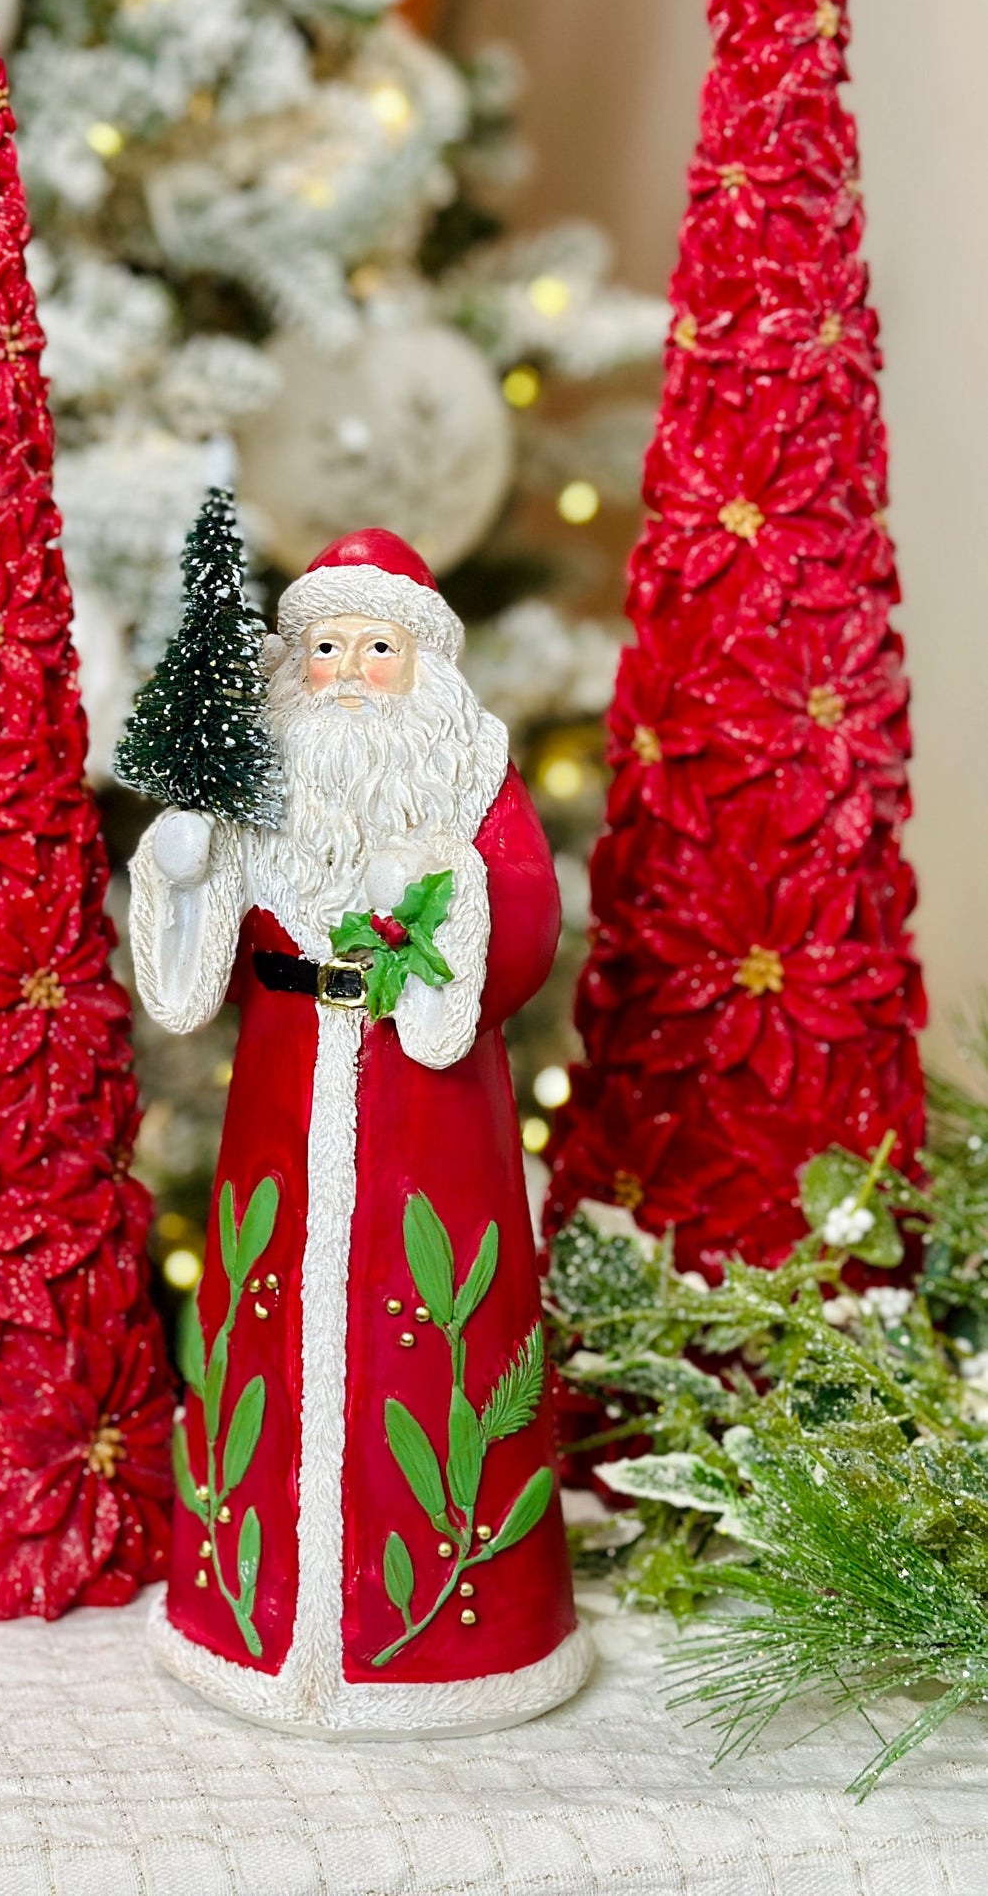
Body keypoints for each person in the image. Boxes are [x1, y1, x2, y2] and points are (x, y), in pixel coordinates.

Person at [129, 527, 587, 1737]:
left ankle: (445, 1634)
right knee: (268, 1319)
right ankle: (249, 1608)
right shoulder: (264, 786)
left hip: (431, 1112)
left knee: (429, 1338)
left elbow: (525, 915)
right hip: (281, 1091)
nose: (344, 671)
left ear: (421, 663)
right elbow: (196, 961)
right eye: (324, 647)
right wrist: (184, 867)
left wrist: (441, 889)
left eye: (374, 648)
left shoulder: (467, 778)